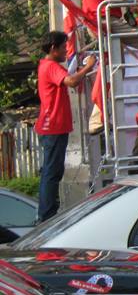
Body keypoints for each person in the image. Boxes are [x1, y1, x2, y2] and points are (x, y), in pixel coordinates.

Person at [36, 31, 96, 221]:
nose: (65, 51)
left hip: (55, 126)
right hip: (52, 126)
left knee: (53, 171)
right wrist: (88, 67)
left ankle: (48, 212)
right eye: (63, 48)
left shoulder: (49, 66)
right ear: (53, 49)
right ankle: (47, 215)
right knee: (52, 173)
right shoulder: (50, 66)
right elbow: (71, 81)